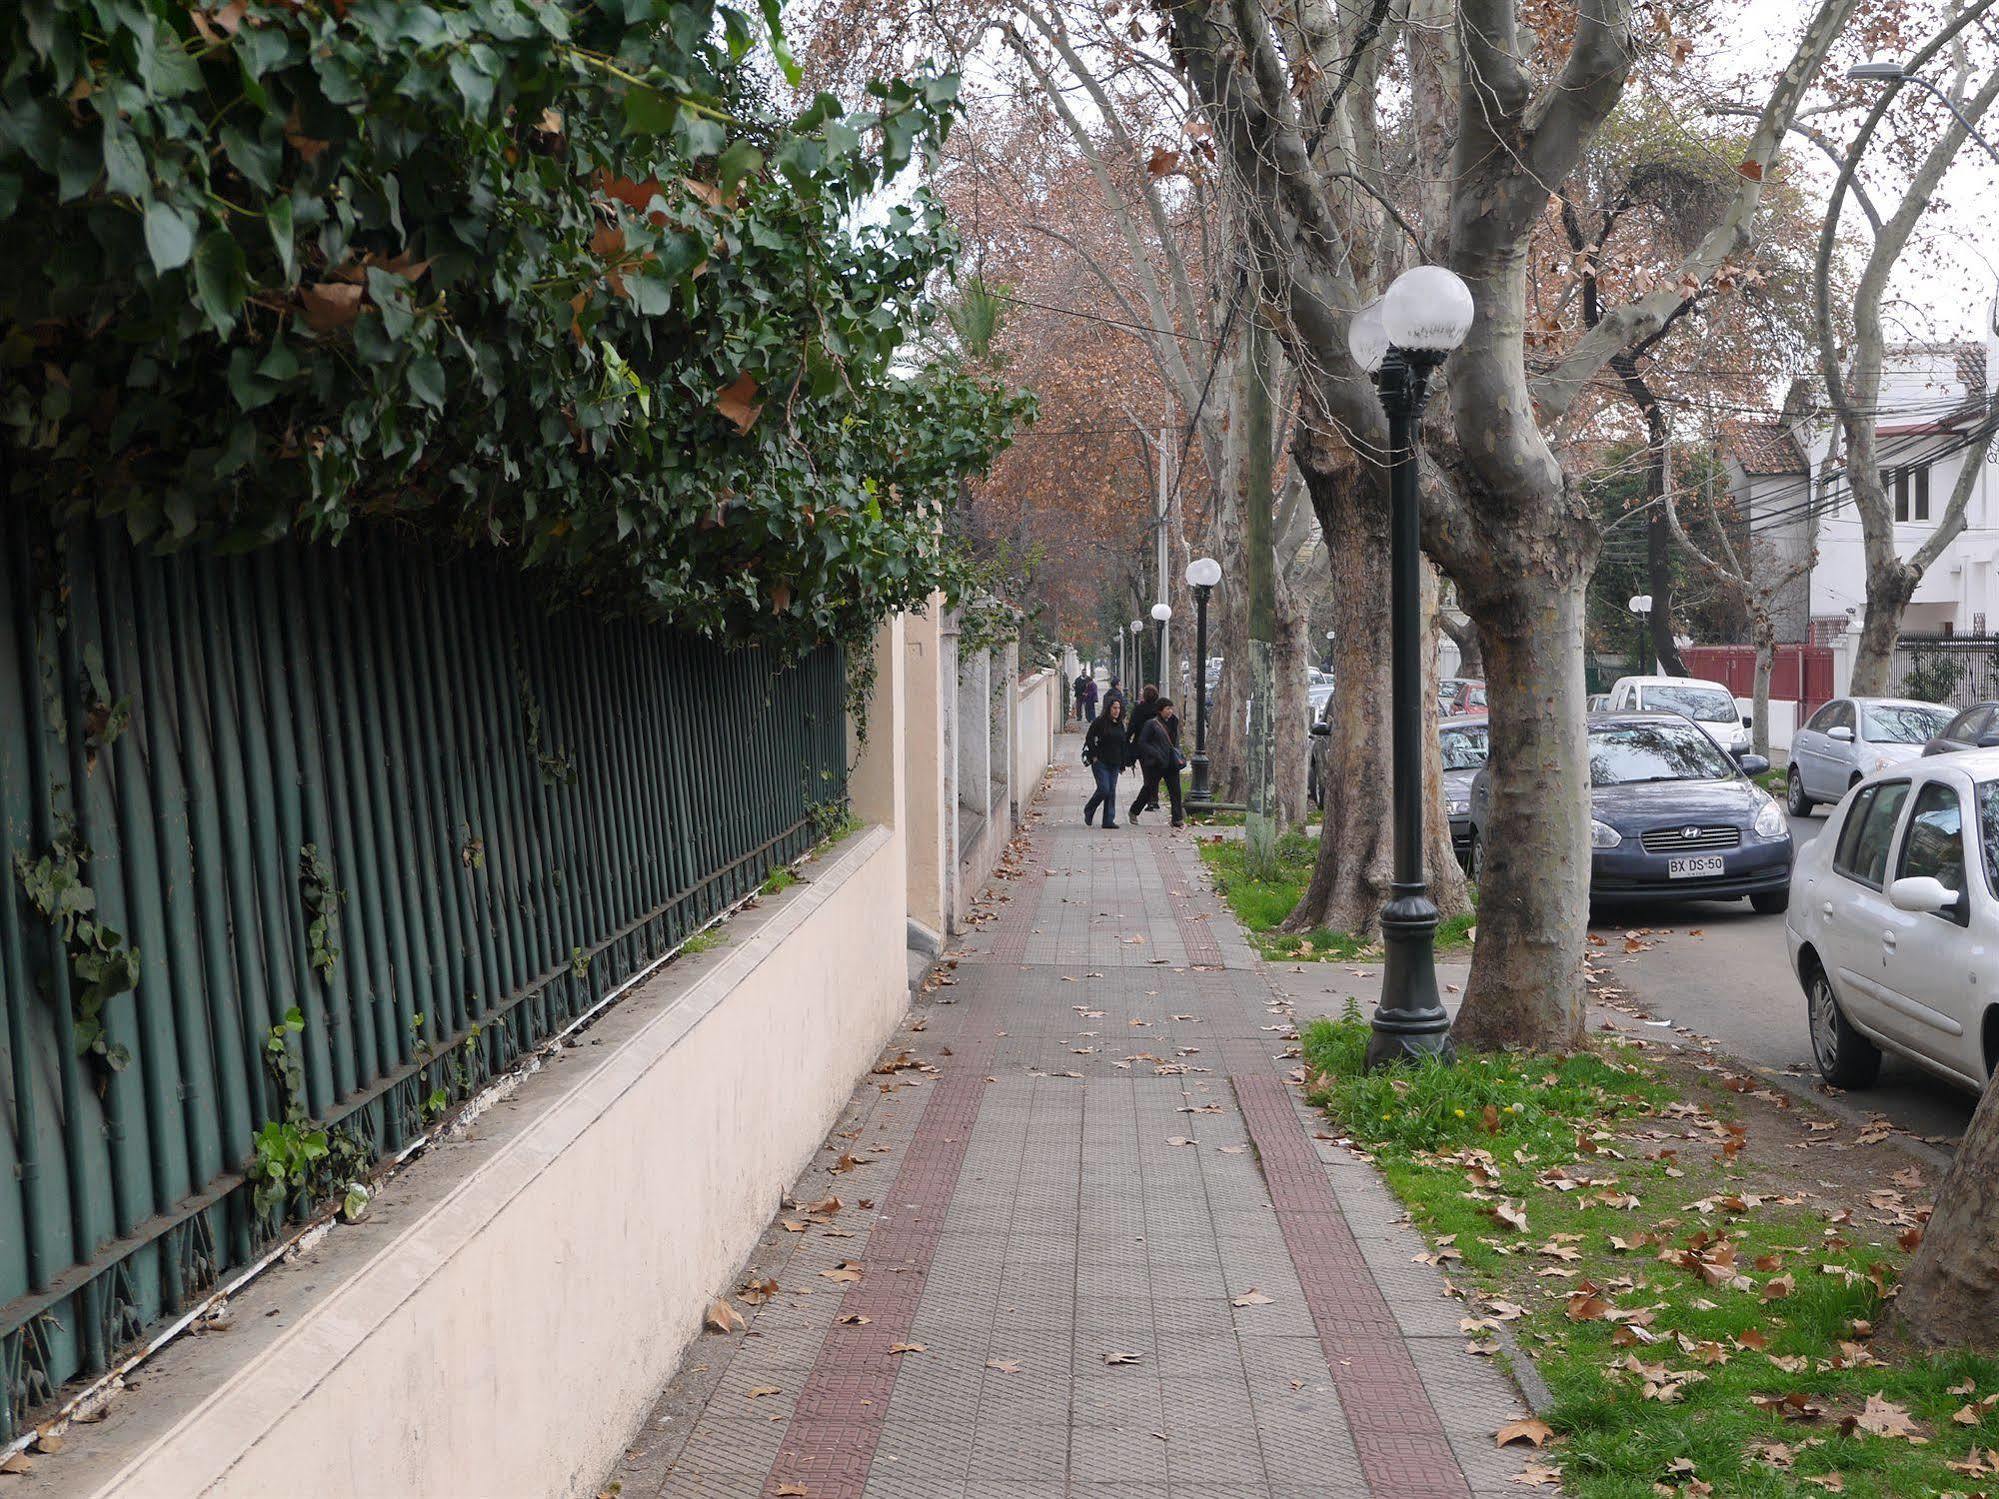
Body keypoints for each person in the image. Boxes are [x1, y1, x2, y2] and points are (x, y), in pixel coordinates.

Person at [1129, 698, 1185, 827]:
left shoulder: (1174, 722)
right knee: (1149, 789)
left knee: (1175, 790)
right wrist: (1155, 753)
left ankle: (1177, 818)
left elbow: (1175, 741)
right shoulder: (1152, 724)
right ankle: (1134, 811)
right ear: (1160, 710)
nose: (1170, 711)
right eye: (1167, 709)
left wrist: (1178, 753)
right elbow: (1143, 742)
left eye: (1171, 708)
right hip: (1157, 763)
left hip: (1171, 762)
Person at [1081, 697, 1129, 828]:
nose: (1116, 711)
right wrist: (1094, 756)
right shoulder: (1100, 722)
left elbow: (1123, 744)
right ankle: (1089, 809)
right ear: (1108, 708)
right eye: (1114, 708)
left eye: (1118, 708)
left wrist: (1123, 763)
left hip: (1115, 762)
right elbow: (1089, 738)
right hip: (1101, 761)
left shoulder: (1120, 724)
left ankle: (1108, 820)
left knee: (1111, 791)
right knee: (1104, 789)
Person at [1126, 684, 1163, 809]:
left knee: (1147, 773)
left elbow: (1132, 726)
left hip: (1142, 745)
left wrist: (1126, 739)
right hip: (1158, 745)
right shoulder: (1159, 710)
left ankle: (1151, 800)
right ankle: (1154, 799)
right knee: (1156, 772)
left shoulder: (1139, 709)